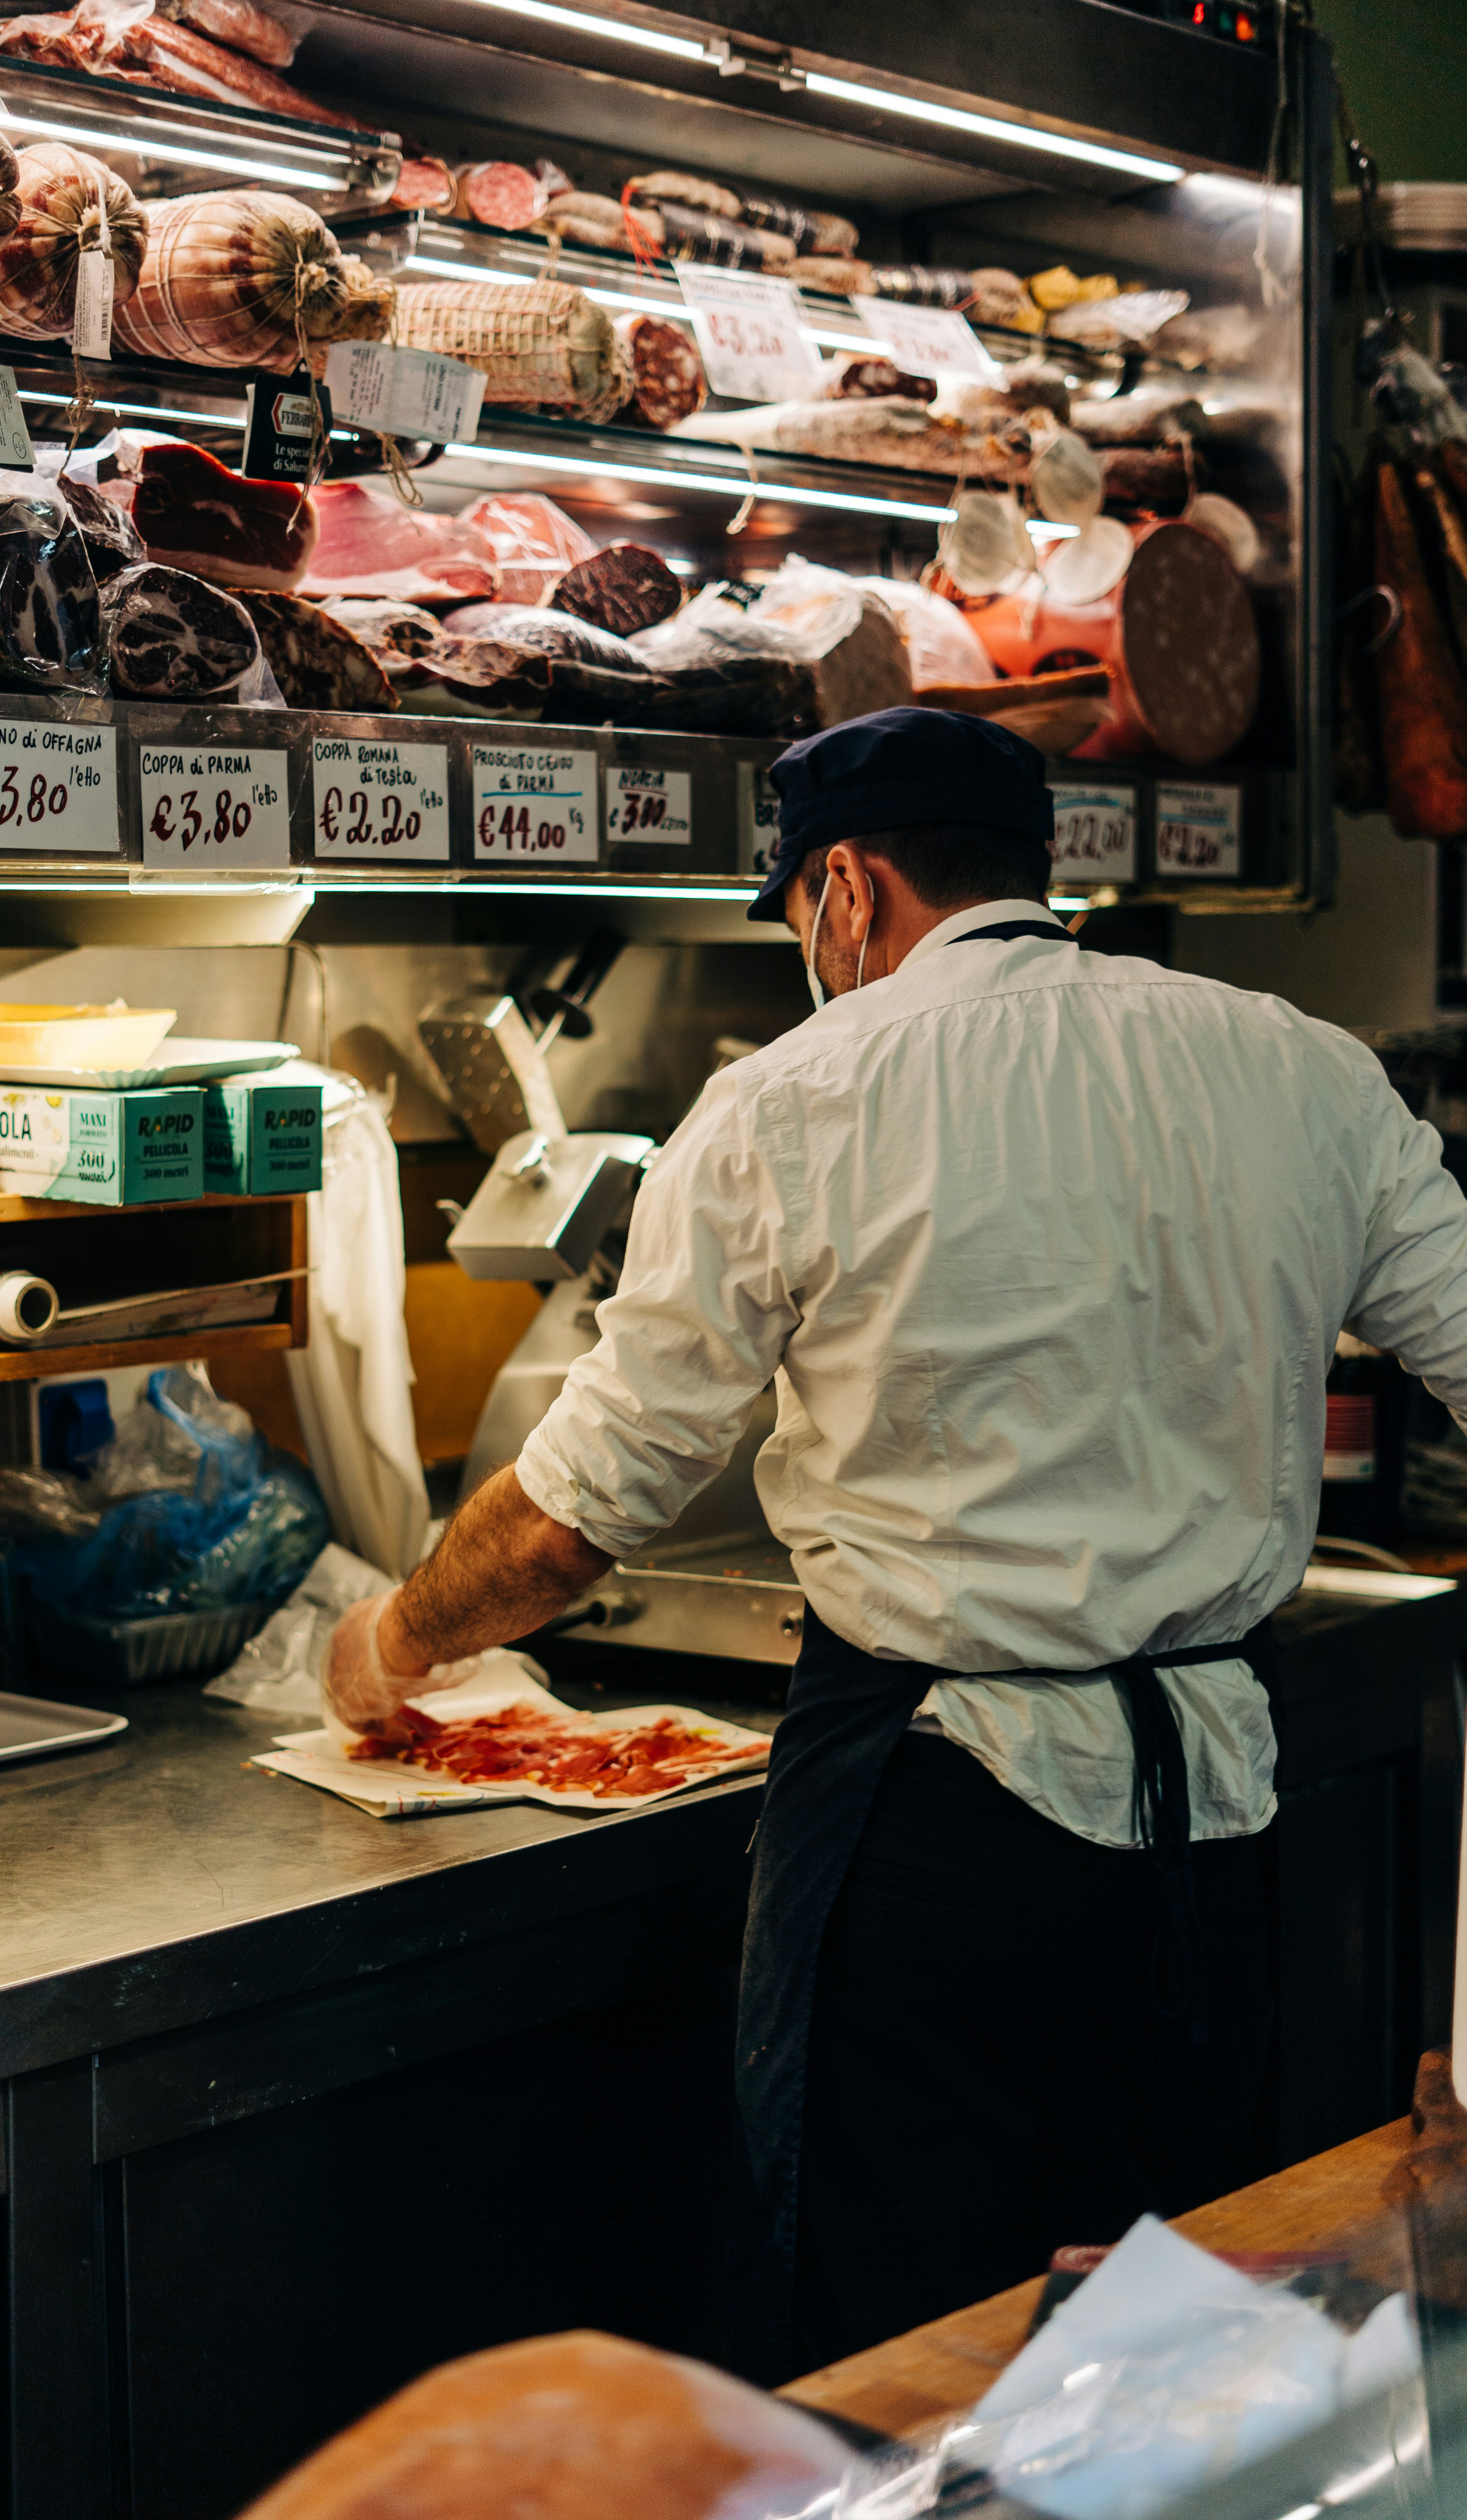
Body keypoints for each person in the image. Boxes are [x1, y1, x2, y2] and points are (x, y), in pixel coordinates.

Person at [326, 706, 1467, 2382]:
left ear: (847, 892)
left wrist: (397, 1638)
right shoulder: (1300, 1066)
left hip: (931, 1823)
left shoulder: (795, 1100)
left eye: (797, 916)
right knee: (1165, 2332)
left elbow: (579, 1517)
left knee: (899, 2340)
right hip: (1210, 1810)